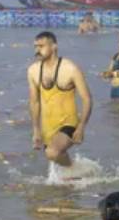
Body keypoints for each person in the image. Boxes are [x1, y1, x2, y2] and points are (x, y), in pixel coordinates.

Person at [28, 31, 93, 168]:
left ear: (54, 47)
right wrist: (36, 130)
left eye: (41, 46)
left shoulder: (70, 69)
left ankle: (72, 169)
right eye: (35, 46)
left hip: (69, 123)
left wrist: (81, 127)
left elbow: (87, 99)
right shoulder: (33, 71)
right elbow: (34, 102)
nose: (37, 50)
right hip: (48, 127)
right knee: (53, 157)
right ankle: (77, 173)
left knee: (52, 152)